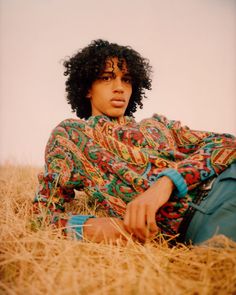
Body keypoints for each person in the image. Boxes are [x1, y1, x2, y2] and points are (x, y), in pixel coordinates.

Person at [33, 39, 236, 245]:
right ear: (87, 89)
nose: (119, 87)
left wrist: (167, 182)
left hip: (226, 184)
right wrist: (87, 227)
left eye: (127, 80)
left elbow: (228, 143)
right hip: (200, 224)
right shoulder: (71, 136)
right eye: (106, 78)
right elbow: (41, 214)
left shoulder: (158, 125)